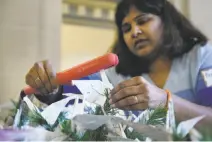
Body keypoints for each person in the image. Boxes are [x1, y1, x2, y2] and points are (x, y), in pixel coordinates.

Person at [25, 0, 212, 130]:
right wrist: (49, 88)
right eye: (126, 28)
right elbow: (69, 97)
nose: (134, 32)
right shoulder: (114, 74)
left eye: (143, 21)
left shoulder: (201, 56)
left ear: (166, 21)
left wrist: (165, 102)